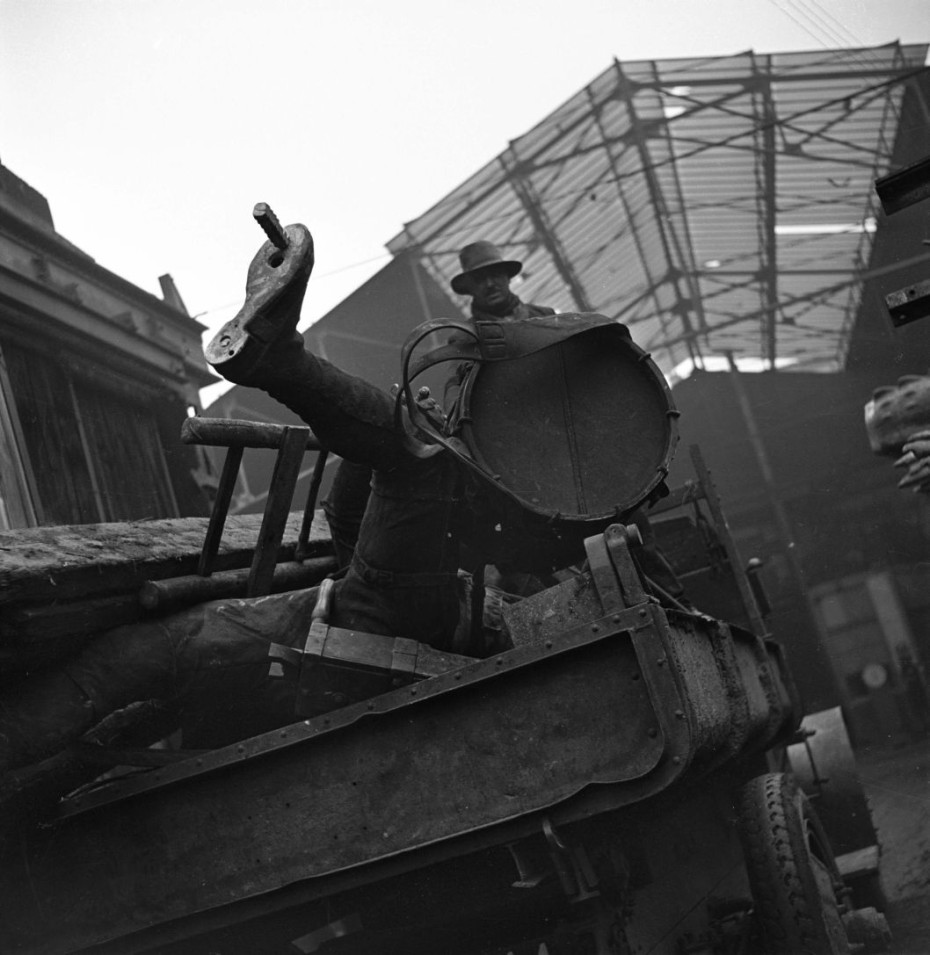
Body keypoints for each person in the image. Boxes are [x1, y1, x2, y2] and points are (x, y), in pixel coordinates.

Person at [0, 225, 675, 777]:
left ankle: (277, 360)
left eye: (498, 278)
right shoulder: (484, 368)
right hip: (414, 577)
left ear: (512, 279)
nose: (491, 290)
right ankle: (285, 364)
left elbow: (549, 505)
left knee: (133, 655)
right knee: (396, 453)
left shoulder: (552, 356)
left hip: (417, 602)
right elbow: (364, 506)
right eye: (481, 282)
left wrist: (426, 436)